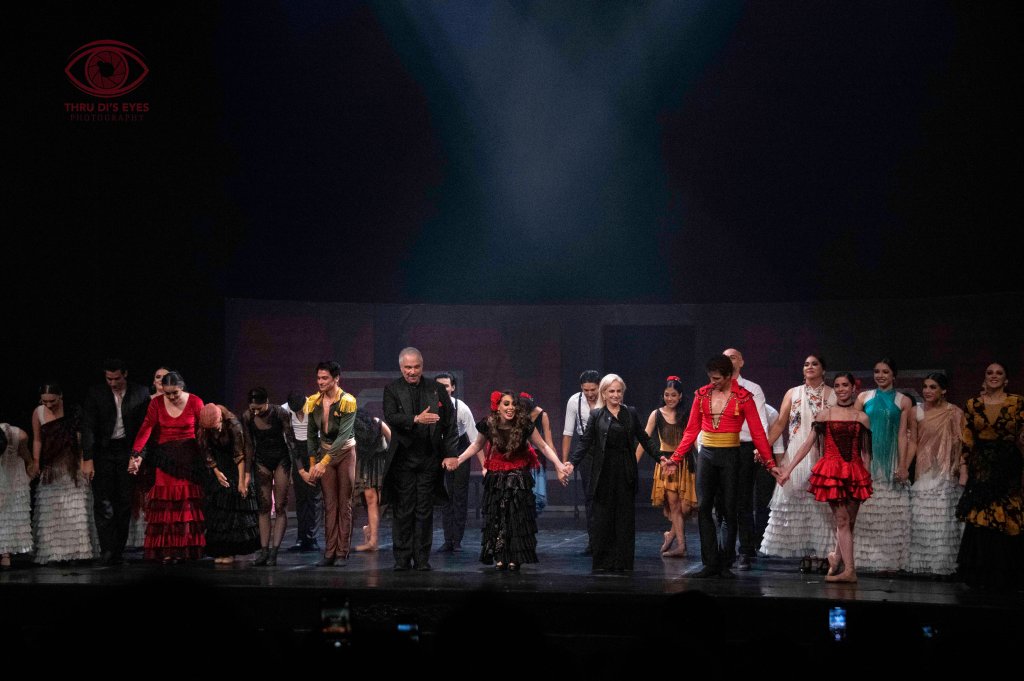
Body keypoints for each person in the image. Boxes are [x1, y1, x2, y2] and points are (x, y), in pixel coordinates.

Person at [663, 356, 781, 578]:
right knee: (704, 508)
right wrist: (676, 458)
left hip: (730, 455)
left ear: (728, 376)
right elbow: (691, 430)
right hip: (707, 455)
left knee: (729, 509)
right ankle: (710, 562)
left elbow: (757, 432)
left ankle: (726, 562)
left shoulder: (744, 397)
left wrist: (770, 463)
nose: (713, 382)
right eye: (710, 378)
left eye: (717, 378)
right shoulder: (702, 395)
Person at [443, 390, 568, 570]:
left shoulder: (524, 424)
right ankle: (500, 555)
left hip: (518, 475)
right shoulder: (489, 423)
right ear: (498, 406)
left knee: (515, 516)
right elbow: (476, 445)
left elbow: (543, 446)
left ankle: (514, 557)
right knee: (498, 516)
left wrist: (559, 465)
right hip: (497, 475)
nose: (511, 408)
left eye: (513, 404)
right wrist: (458, 459)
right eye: (506, 404)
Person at [778, 372, 872, 583]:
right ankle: (850, 571)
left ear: (853, 388)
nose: (841, 389)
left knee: (849, 521)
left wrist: (866, 476)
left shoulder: (862, 417)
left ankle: (836, 557)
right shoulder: (824, 415)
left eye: (845, 385)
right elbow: (807, 445)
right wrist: (788, 469)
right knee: (842, 520)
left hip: (855, 472)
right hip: (832, 472)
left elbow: (866, 452)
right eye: (837, 385)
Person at [566, 374, 660, 572]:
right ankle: (603, 563)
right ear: (604, 393)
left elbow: (644, 438)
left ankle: (623, 563)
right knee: (603, 518)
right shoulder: (596, 415)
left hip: (624, 471)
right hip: (603, 473)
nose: (616, 395)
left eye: (619, 391)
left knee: (624, 519)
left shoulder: (630, 413)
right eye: (611, 391)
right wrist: (572, 463)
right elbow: (585, 442)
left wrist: (661, 458)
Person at [382, 347, 459, 572]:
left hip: (429, 458)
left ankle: (422, 559)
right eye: (408, 367)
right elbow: (391, 416)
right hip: (403, 459)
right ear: (401, 368)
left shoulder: (436, 389)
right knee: (403, 509)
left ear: (422, 366)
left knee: (424, 510)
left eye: (416, 367)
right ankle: (402, 558)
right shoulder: (392, 389)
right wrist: (416, 419)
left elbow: (450, 424)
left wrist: (451, 453)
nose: (412, 371)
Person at [760, 354, 836, 569]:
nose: (809, 367)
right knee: (797, 503)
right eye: (806, 364)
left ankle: (824, 553)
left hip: (821, 452)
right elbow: (779, 424)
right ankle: (806, 552)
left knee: (820, 505)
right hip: (795, 451)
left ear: (823, 370)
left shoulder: (831, 394)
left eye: (815, 364)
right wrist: (763, 447)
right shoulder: (792, 393)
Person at [956, 362, 1023, 590]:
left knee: (1007, 513)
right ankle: (981, 574)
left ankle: (1008, 575)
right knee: (982, 514)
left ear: (1006, 379)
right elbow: (967, 440)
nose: (994, 376)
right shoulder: (973, 404)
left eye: (999, 373)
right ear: (984, 378)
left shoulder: (1017, 402)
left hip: (1008, 466)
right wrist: (964, 469)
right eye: (990, 373)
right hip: (982, 467)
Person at [129, 371, 207, 563]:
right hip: (165, 460)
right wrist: (135, 454)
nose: (171, 397)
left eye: (175, 393)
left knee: (185, 506)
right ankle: (167, 550)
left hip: (188, 460)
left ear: (182, 387)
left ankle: (184, 549)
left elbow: (203, 431)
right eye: (167, 393)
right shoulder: (156, 403)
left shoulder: (195, 401)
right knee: (165, 506)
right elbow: (146, 428)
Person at [81, 358, 151, 565]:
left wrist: (138, 455)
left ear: (125, 374)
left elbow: (145, 428)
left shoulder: (140, 393)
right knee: (103, 502)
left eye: (117, 378)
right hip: (103, 452)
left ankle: (118, 551)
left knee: (124, 503)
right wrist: (88, 458)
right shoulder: (96, 393)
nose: (112, 383)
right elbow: (88, 427)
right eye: (109, 378)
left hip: (127, 451)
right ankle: (107, 551)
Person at [900, 373, 965, 576]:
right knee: (922, 516)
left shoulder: (954, 412)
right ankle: (922, 564)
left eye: (933, 387)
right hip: (924, 470)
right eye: (925, 386)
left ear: (943, 390)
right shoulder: (916, 411)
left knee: (942, 519)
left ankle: (941, 565)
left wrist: (960, 468)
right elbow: (913, 442)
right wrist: (904, 466)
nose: (927, 391)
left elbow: (961, 443)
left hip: (946, 471)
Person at [854, 358, 912, 572]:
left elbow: (903, 435)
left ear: (893, 375)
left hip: (890, 458)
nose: (880, 375)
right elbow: (854, 429)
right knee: (867, 509)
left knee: (890, 513)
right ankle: (864, 560)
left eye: (885, 372)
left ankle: (889, 562)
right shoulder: (863, 397)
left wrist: (903, 464)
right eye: (877, 371)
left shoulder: (903, 400)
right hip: (867, 457)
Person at [32, 383, 98, 564]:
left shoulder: (73, 411)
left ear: (60, 396)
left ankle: (77, 553)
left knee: (75, 509)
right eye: (44, 401)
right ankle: (53, 553)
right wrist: (35, 462)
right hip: (51, 467)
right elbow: (37, 439)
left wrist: (84, 462)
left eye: (52, 401)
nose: (49, 405)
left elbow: (82, 438)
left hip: (72, 466)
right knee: (52, 510)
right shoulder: (38, 412)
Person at [718, 348, 770, 570]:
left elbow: (760, 421)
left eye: (732, 357)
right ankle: (725, 552)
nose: (728, 361)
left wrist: (761, 447)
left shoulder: (752, 388)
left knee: (743, 501)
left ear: (741, 362)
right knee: (722, 501)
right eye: (725, 358)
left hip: (744, 447)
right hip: (719, 446)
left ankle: (745, 550)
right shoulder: (715, 387)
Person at [303, 361, 357, 567]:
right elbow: (311, 435)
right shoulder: (314, 402)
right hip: (325, 453)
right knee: (330, 504)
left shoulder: (347, 401)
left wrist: (323, 463)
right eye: (318, 378)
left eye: (325, 378)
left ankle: (342, 552)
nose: (320, 382)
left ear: (336, 379)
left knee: (344, 503)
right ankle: (329, 551)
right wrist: (312, 463)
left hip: (345, 453)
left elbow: (343, 436)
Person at [242, 388, 299, 566]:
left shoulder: (280, 413)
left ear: (266, 401)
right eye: (253, 408)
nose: (255, 412)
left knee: (280, 506)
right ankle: (264, 550)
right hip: (261, 460)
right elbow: (249, 445)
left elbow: (291, 441)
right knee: (264, 507)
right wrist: (246, 474)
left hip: (281, 458)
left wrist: (300, 468)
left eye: (259, 408)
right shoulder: (247, 416)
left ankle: (274, 551)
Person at [198, 403, 260, 565]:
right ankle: (222, 550)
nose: (215, 430)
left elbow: (239, 454)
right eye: (211, 429)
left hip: (235, 465)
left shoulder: (233, 425)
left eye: (216, 426)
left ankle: (234, 550)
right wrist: (216, 471)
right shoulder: (205, 429)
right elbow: (206, 452)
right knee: (219, 510)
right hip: (219, 465)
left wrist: (241, 482)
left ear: (221, 418)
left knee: (235, 507)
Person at [640, 376, 694, 557]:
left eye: (673, 395)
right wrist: (633, 461)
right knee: (674, 506)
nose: (669, 398)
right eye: (667, 395)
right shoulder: (656, 414)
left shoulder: (686, 414)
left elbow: (694, 438)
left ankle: (670, 534)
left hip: (684, 462)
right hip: (666, 463)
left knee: (687, 506)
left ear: (680, 396)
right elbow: (644, 439)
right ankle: (681, 546)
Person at [435, 372, 478, 552]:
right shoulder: (430, 407)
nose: (443, 389)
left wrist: (485, 466)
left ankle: (457, 539)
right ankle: (448, 539)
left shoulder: (462, 408)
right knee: (445, 497)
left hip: (460, 451)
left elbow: (476, 440)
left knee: (459, 497)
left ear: (452, 388)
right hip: (440, 452)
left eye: (446, 386)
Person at [562, 370, 601, 556]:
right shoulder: (574, 401)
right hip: (586, 449)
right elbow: (568, 433)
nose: (590, 393)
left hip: (606, 447)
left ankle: (609, 540)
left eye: (593, 389)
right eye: (586, 390)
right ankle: (594, 541)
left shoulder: (607, 397)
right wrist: (564, 463)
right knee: (590, 495)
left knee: (606, 495)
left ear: (599, 386)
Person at [282, 390, 321, 553]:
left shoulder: (314, 407)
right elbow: (290, 442)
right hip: (297, 450)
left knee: (313, 496)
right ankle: (301, 538)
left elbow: (316, 439)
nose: (298, 414)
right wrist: (300, 470)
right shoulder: (285, 410)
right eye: (295, 411)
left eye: (300, 410)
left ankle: (312, 537)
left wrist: (312, 466)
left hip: (314, 449)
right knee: (301, 497)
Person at [352, 407, 391, 552]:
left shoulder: (378, 423)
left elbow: (392, 441)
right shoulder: (352, 428)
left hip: (381, 462)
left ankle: (369, 528)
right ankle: (373, 541)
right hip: (365, 464)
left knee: (381, 500)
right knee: (371, 499)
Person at [0, 422, 34, 567]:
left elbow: (24, 452)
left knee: (7, 513)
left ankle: (5, 554)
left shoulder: (19, 435)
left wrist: (31, 463)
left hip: (13, 475)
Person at [520, 392, 554, 515]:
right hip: (519, 457)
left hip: (536, 458)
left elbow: (548, 443)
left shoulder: (542, 415)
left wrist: (558, 465)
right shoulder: (516, 415)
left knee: (535, 498)